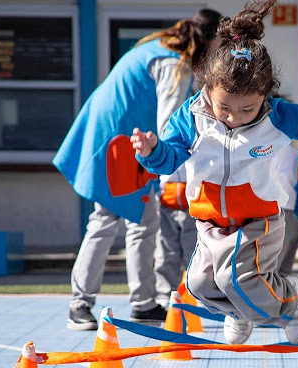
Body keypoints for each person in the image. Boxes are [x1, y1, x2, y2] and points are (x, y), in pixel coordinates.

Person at [130, 0, 298, 345]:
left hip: (260, 219)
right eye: (224, 106)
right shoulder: (192, 115)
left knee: (234, 278)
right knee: (198, 285)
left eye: (248, 109)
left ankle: (290, 298)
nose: (233, 117)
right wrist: (153, 152)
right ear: (208, 88)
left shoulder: (277, 114)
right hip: (211, 220)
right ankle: (238, 312)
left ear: (265, 96)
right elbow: (170, 159)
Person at [53, 9, 222, 330]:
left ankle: (143, 303)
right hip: (118, 143)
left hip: (121, 138)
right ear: (209, 43)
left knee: (144, 220)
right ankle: (80, 303)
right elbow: (169, 126)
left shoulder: (161, 44)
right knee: (106, 218)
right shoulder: (175, 65)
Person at [153, 162, 197, 309]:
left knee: (194, 253)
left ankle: (197, 293)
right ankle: (165, 294)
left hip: (192, 204)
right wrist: (157, 195)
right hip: (166, 203)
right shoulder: (161, 139)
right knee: (166, 252)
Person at [276, 144, 298, 276]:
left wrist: (295, 212)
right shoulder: (293, 153)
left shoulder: (293, 153)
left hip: (284, 213)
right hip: (281, 213)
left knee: (277, 271)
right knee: (278, 271)